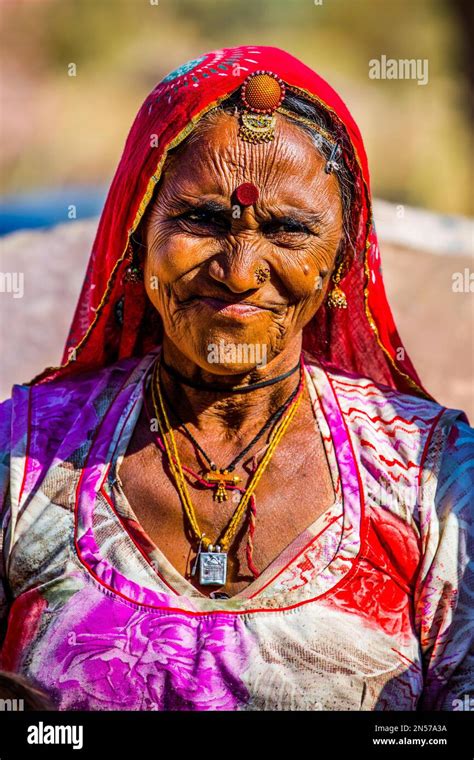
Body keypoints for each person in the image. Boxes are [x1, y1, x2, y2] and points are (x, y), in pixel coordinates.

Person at [0, 45, 472, 711]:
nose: (240, 270)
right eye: (201, 220)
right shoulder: (21, 463)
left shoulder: (428, 480)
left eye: (288, 229)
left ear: (343, 260)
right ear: (135, 238)